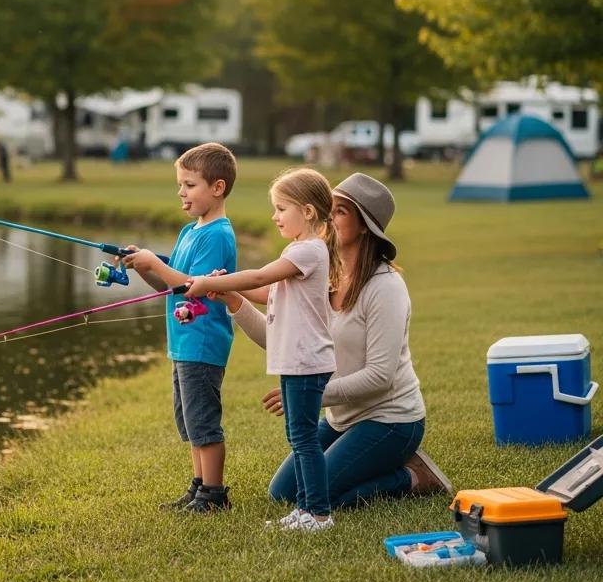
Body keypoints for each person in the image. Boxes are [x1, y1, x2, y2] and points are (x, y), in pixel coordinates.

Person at [220, 172, 452, 512]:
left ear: (364, 227)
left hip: (391, 420)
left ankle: (413, 477)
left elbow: (380, 376)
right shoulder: (321, 276)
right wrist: (233, 299)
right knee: (283, 492)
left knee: (321, 496)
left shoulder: (385, 288)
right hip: (341, 418)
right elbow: (283, 341)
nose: (328, 215)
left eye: (340, 211)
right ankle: (367, 461)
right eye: (328, 207)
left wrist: (309, 394)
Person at [188, 167, 339, 532]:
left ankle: (318, 514)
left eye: (281, 208)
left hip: (307, 362)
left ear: (306, 211)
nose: (274, 216)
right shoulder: (298, 251)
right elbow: (266, 292)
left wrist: (212, 279)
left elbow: (260, 276)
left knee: (304, 438)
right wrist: (227, 290)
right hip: (294, 361)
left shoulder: (310, 251)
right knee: (298, 436)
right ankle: (305, 509)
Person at [121, 142, 238, 514]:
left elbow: (193, 285)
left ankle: (215, 494)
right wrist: (146, 268)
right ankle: (200, 485)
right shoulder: (191, 231)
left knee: (204, 421)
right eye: (180, 185)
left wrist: (155, 260)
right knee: (189, 420)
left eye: (189, 185)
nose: (181, 192)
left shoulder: (218, 234)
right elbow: (171, 287)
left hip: (202, 342)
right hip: (183, 342)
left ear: (216, 188)